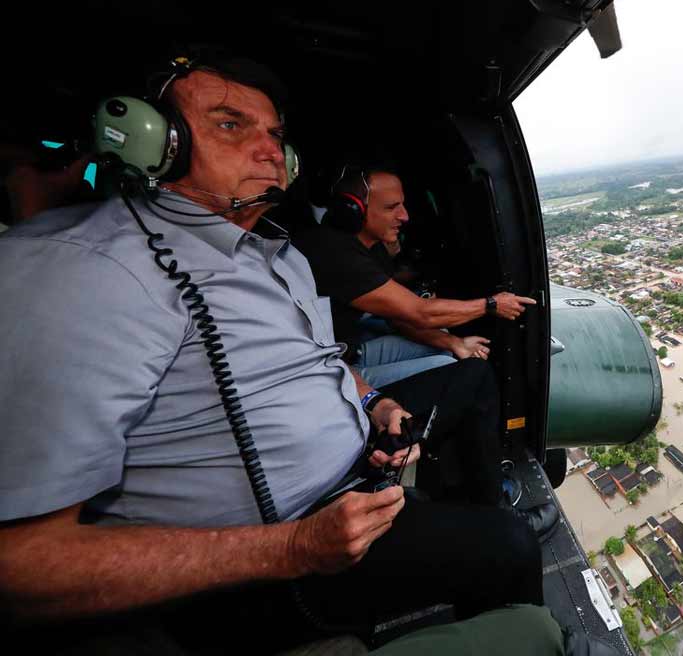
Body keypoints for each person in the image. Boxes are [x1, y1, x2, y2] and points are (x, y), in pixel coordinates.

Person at [0, 52, 573, 654]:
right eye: (229, 124)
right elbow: (20, 564)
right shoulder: (78, 274)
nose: (270, 150)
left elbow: (321, 360)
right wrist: (295, 547)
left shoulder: (275, 254)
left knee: (473, 413)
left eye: (274, 133)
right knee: (508, 549)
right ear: (154, 142)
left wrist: (372, 400)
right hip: (270, 556)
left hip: (351, 485)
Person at [292, 166, 536, 387]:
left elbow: (399, 319)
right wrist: (490, 305)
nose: (404, 216)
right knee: (452, 369)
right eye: (391, 208)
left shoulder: (372, 248)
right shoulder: (333, 252)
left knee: (447, 351)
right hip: (324, 372)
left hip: (348, 351)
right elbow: (420, 312)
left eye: (402, 205)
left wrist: (456, 344)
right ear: (352, 210)